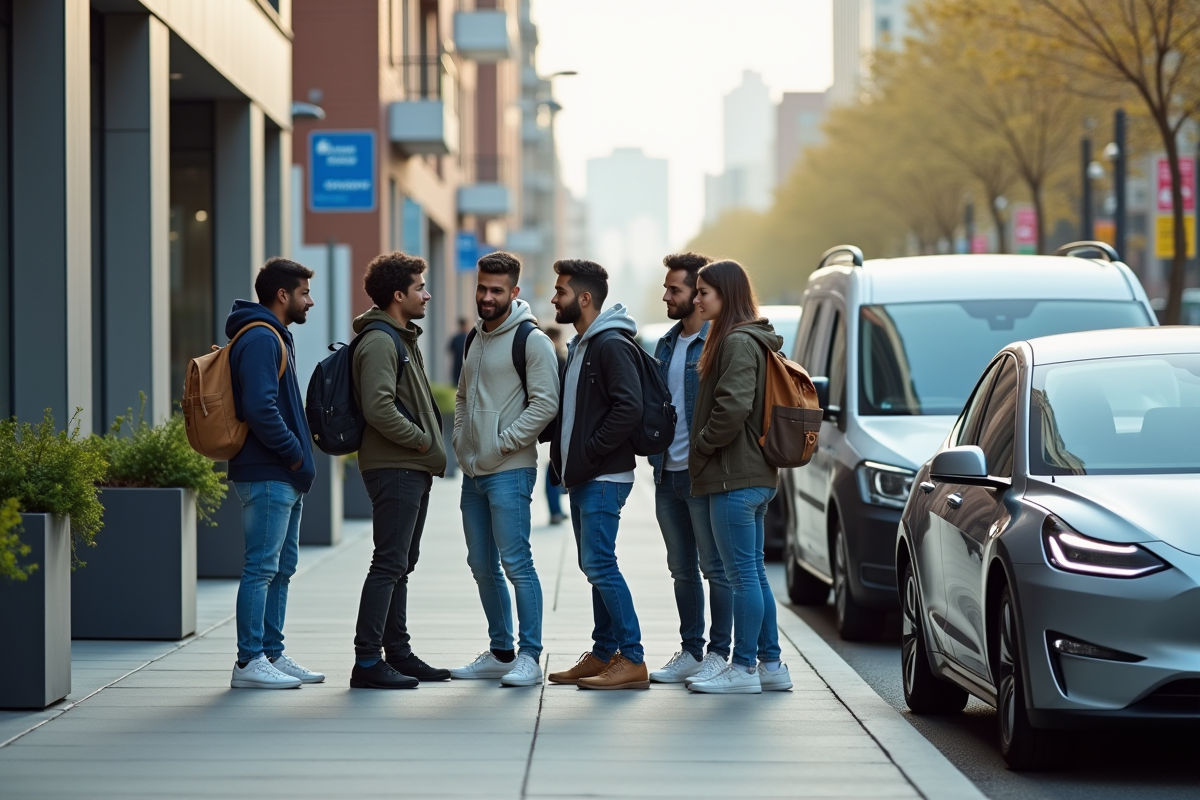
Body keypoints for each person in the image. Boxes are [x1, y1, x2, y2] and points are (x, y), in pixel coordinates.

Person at [449, 252, 560, 687]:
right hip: (473, 472)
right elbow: (462, 396)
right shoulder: (474, 338)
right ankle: (501, 651)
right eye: (482, 288)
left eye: (497, 290)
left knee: (517, 562)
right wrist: (462, 441)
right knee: (481, 563)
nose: (487, 297)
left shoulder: (532, 340)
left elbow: (546, 404)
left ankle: (529, 655)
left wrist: (501, 443)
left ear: (514, 291)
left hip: (510, 470)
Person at [686, 260, 793, 694]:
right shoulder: (751, 338)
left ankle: (744, 668)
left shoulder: (736, 341)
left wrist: (701, 446)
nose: (696, 300)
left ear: (725, 295)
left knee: (742, 576)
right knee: (753, 573)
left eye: (703, 292)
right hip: (754, 476)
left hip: (735, 477)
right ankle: (771, 665)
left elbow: (732, 407)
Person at [544, 259, 649, 690]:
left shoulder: (610, 344)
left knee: (600, 563)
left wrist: (589, 451)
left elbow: (630, 407)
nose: (554, 298)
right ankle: (604, 653)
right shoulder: (582, 344)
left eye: (561, 291)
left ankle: (633, 658)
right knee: (595, 566)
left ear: (584, 298)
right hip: (586, 475)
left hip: (604, 476)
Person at [349, 252, 450, 689]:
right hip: (395, 466)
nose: (427, 295)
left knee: (401, 563)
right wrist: (421, 440)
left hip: (409, 465)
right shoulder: (380, 341)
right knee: (388, 562)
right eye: (419, 288)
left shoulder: (400, 337)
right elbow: (378, 407)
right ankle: (367, 660)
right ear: (397, 295)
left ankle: (398, 653)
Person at [227, 258, 324, 690]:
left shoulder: (274, 335)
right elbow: (260, 408)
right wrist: (293, 453)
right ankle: (249, 661)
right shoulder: (261, 338)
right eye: (304, 293)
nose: (310, 301)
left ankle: (271, 653)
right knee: (261, 568)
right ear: (283, 295)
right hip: (268, 472)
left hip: (282, 474)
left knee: (281, 569)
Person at [646, 252, 733, 686]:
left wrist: (703, 451)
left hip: (704, 475)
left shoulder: (719, 343)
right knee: (680, 568)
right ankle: (691, 651)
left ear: (699, 294)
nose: (667, 296)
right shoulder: (665, 344)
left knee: (714, 568)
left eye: (674, 289)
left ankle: (719, 653)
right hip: (667, 473)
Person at [543, 326, 568, 525]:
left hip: (553, 421)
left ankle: (556, 509)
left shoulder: (550, 356)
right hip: (556, 422)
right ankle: (555, 511)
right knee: (553, 466)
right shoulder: (554, 357)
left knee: (555, 465)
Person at [449, 317, 470, 385]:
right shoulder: (469, 338)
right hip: (462, 365)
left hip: (460, 366)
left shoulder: (456, 338)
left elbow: (450, 350)